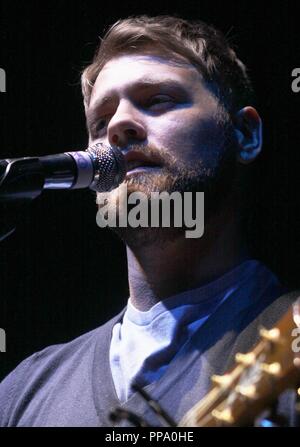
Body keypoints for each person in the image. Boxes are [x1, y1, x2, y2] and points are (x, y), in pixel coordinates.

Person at [0, 15, 298, 427]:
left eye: (157, 100)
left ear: (244, 133)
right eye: (100, 123)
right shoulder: (22, 391)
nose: (119, 126)